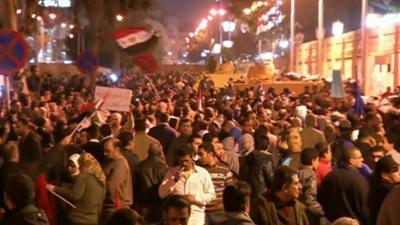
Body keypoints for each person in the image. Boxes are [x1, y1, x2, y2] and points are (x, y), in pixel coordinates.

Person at [159, 146, 215, 225]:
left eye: (186, 160)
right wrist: (173, 181)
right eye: (181, 161)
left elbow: (211, 195)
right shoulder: (171, 172)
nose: (184, 164)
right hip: (177, 218)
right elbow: (161, 194)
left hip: (196, 217)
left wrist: (195, 198)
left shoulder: (202, 173)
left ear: (192, 158)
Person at [46, 153, 106, 225]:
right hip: (93, 220)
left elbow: (75, 194)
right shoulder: (100, 180)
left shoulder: (82, 177)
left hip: (78, 219)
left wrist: (55, 188)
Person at [319, 147, 370, 225]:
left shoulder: (330, 176)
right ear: (351, 161)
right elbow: (364, 207)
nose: (362, 159)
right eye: (359, 157)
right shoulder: (359, 180)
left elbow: (322, 200)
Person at [196, 143, 233, 224]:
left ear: (210, 154)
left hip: (220, 213)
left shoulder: (224, 169)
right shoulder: (197, 170)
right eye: (198, 154)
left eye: (201, 154)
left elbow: (230, 191)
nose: (199, 157)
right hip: (203, 212)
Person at [102, 138, 133, 223]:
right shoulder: (112, 162)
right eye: (104, 151)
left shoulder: (120, 165)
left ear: (117, 150)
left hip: (116, 207)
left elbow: (110, 187)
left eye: (108, 151)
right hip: (112, 207)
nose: (105, 154)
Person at [239, 127, 274, 202]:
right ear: (268, 146)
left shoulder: (244, 158)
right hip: (262, 195)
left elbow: (241, 177)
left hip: (247, 194)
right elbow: (270, 179)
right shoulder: (267, 159)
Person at [135, 143, 167, 223]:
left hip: (143, 204)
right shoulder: (163, 168)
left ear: (148, 152)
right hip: (158, 204)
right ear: (160, 153)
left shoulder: (139, 166)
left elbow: (136, 186)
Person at [367, 155, 400, 224]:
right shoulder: (388, 192)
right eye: (395, 170)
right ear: (384, 175)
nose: (399, 173)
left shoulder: (377, 188)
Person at [298, 148, 324, 225]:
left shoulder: (298, 172)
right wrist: (322, 211)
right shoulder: (311, 175)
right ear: (313, 161)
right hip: (308, 214)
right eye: (317, 160)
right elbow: (310, 199)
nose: (318, 163)